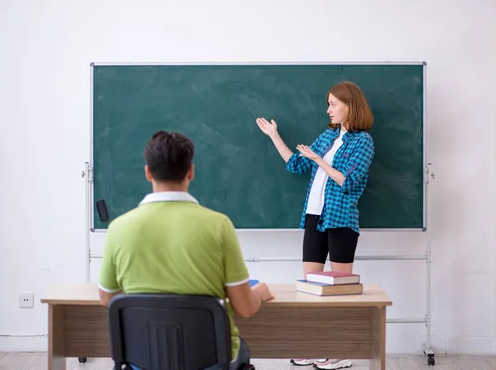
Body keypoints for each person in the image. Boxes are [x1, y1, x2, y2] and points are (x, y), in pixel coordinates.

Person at [98, 130, 274, 370]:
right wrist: (259, 293)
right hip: (210, 360)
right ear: (190, 171)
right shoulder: (218, 225)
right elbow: (245, 307)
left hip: (143, 359)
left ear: (148, 172)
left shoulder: (118, 228)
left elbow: (108, 298)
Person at [256, 81, 375, 370]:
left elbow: (347, 181)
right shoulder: (328, 136)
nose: (328, 109)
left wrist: (319, 160)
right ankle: (315, 346)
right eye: (329, 103)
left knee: (339, 289)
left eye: (334, 103)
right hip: (314, 216)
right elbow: (296, 164)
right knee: (311, 287)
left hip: (340, 219)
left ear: (350, 106)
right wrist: (274, 136)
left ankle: (339, 350)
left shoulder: (363, 141)